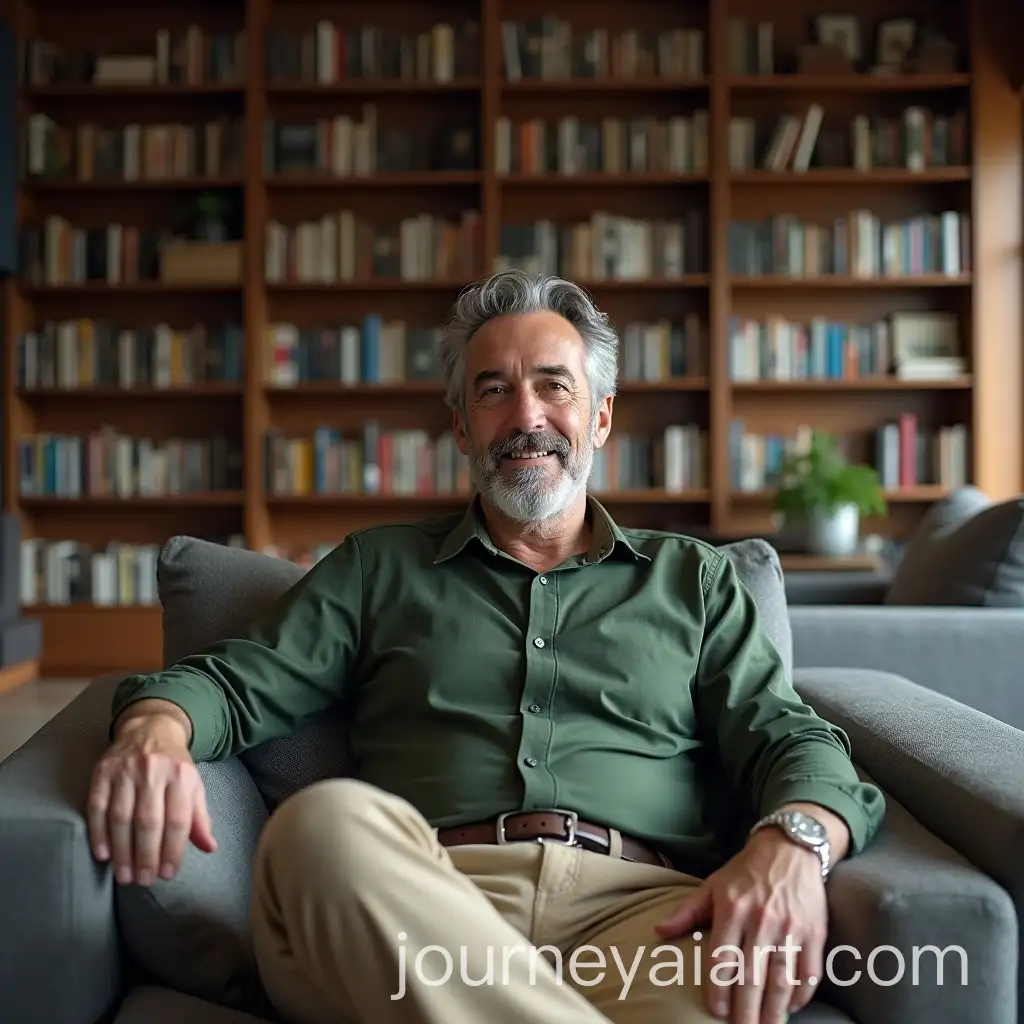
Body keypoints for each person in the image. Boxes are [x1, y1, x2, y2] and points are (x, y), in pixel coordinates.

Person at [88, 270, 885, 1024]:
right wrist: (153, 726)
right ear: (464, 427)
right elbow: (230, 685)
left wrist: (796, 841)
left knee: (738, 977)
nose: (526, 416)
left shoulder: (695, 581)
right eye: (494, 391)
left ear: (600, 416)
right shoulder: (377, 568)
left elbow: (790, 737)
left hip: (649, 920)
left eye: (553, 385)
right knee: (318, 828)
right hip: (419, 914)